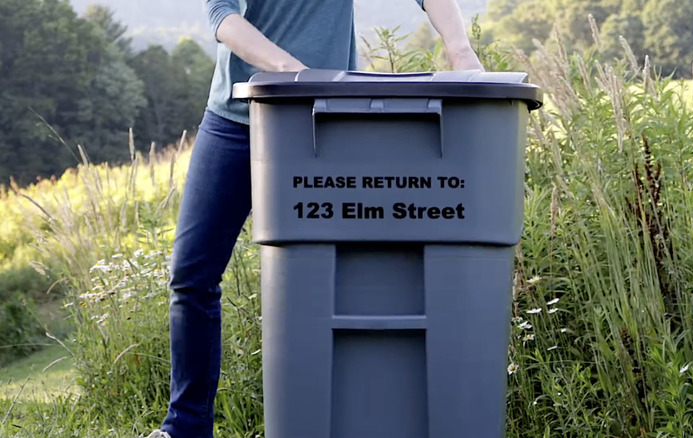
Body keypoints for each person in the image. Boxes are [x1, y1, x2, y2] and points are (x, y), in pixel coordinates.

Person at [145, 1, 484, 437]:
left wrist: (459, 49)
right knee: (191, 275)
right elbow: (223, 19)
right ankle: (185, 427)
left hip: (325, 122)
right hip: (237, 121)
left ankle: (354, 414)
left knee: (345, 275)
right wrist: (288, 68)